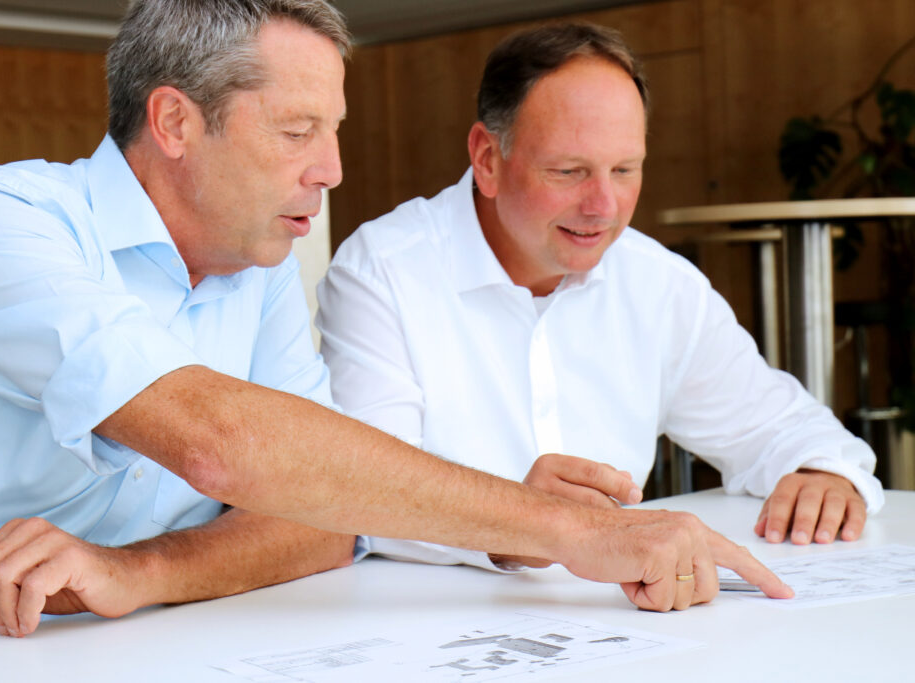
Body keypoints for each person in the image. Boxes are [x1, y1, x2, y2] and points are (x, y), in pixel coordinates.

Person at [0, 2, 789, 652]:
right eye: (297, 131)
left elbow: (321, 522)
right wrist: (569, 529)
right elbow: (218, 440)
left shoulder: (258, 269)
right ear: (174, 121)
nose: (331, 169)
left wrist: (138, 572)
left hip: (142, 648)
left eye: (334, 131)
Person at [317, 22, 884, 573]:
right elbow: (364, 492)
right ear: (487, 159)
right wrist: (527, 524)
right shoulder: (382, 271)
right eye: (569, 171)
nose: (604, 207)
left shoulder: (658, 283)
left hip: (621, 617)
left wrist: (821, 474)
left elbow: (782, 429)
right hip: (424, 618)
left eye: (624, 169)